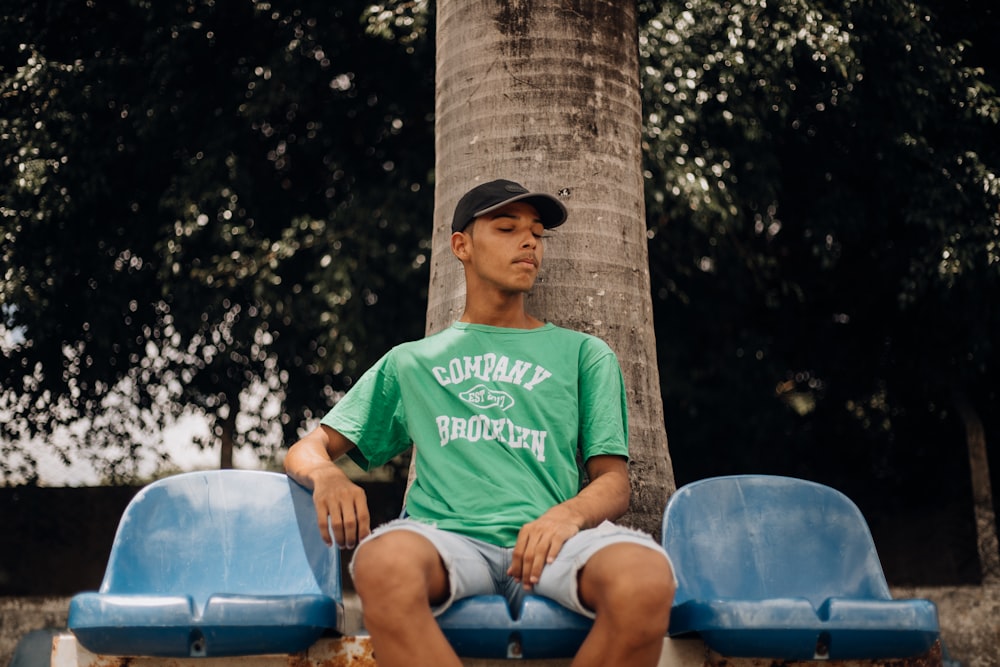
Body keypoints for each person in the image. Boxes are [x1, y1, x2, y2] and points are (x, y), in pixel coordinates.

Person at [284, 179, 675, 667]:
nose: (529, 241)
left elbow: (613, 481)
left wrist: (566, 516)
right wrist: (327, 477)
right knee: (382, 564)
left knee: (647, 579)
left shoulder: (584, 354)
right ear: (461, 246)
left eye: (537, 233)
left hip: (551, 540)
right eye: (507, 228)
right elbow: (307, 448)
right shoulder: (412, 362)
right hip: (446, 540)